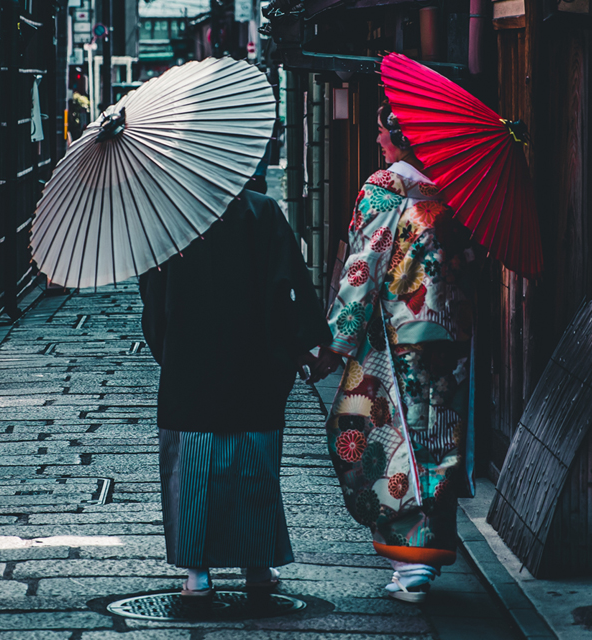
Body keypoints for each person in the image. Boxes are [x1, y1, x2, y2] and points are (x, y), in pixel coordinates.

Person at [309, 101, 474, 602]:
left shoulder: (387, 186)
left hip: (395, 333)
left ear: (399, 136)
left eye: (383, 131)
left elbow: (364, 267)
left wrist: (337, 340)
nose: (378, 139)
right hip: (448, 330)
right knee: (437, 435)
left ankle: (411, 560)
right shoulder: (451, 188)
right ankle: (423, 555)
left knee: (376, 429)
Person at [139, 169, 330, 597]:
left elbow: (153, 301)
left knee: (191, 471)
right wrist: (300, 346)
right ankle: (257, 568)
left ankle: (197, 575)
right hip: (255, 365)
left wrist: (171, 355)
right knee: (254, 467)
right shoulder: (261, 211)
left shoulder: (170, 218)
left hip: (190, 369)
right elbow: (288, 288)